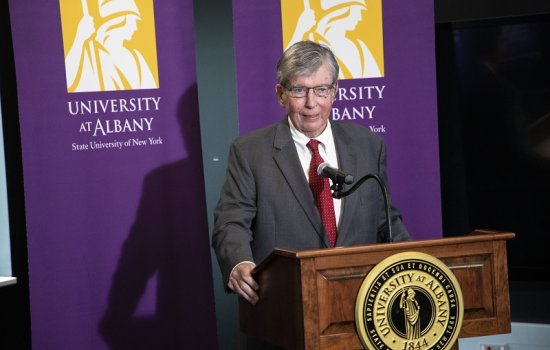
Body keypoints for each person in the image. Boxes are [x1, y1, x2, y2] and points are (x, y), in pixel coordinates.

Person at [211, 40, 410, 349]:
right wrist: (238, 263)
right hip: (283, 317)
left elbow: (386, 220)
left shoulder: (368, 145)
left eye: (321, 90)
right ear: (280, 94)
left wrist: (413, 264)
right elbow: (231, 221)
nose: (311, 103)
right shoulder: (250, 152)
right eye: (299, 90)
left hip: (362, 313)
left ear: (335, 91)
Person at [65, 0, 157, 92]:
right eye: (133, 21)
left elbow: (152, 91)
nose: (136, 28)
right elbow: (67, 82)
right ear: (120, 21)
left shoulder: (137, 57)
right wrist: (80, 38)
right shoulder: (89, 51)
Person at [286, 0, 382, 78]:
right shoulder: (308, 41)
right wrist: (299, 31)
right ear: (342, 11)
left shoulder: (360, 47)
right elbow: (284, 72)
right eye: (357, 11)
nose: (360, 18)